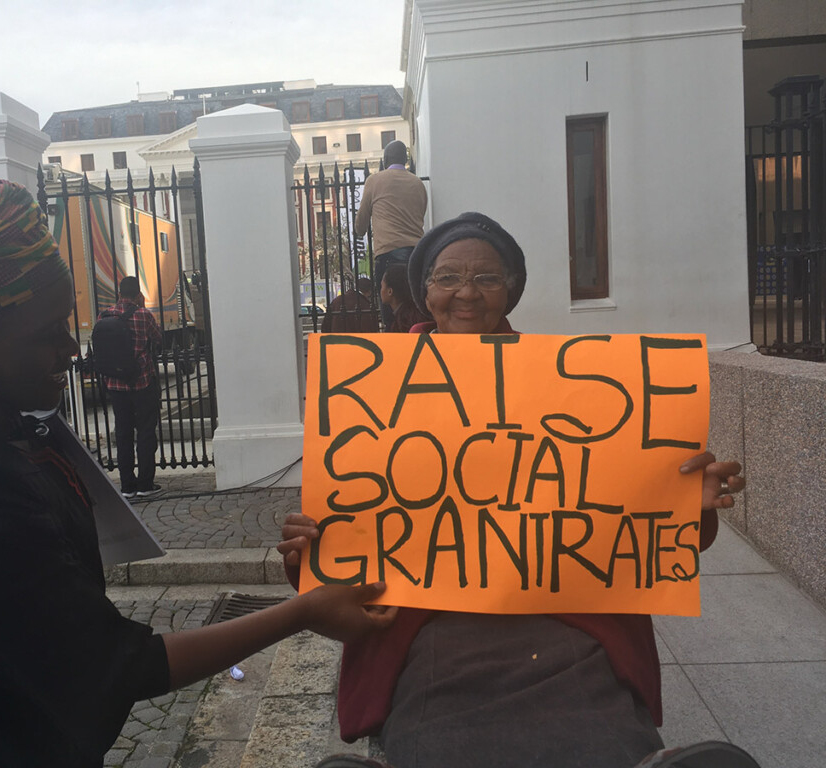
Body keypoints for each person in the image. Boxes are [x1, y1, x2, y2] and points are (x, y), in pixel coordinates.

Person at [0, 181, 394, 767]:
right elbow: (120, 667)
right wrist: (303, 612)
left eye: (67, 324)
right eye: (47, 334)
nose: (71, 349)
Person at [279, 212, 749, 768]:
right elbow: (353, 547)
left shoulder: (572, 384)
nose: (466, 293)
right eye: (447, 277)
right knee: (438, 739)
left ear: (511, 290)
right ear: (425, 291)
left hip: (567, 617)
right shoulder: (374, 387)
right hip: (429, 626)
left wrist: (688, 507)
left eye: (487, 278)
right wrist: (315, 547)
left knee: (601, 731)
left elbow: (660, 541)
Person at [98, 275, 162, 498]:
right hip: (142, 382)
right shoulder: (143, 315)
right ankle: (145, 484)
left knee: (123, 433)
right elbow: (158, 338)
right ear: (138, 295)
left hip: (116, 384)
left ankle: (127, 486)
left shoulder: (105, 315)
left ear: (119, 294)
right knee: (145, 431)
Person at [354, 140, 427, 329]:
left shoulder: (374, 181)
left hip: (389, 255)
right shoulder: (418, 183)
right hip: (416, 256)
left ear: (385, 159)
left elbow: (361, 225)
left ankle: (396, 345)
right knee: (416, 313)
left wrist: (362, 226)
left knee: (391, 318)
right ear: (406, 159)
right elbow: (421, 213)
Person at [379, 263, 429, 333]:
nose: (380, 290)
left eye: (382, 286)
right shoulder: (416, 313)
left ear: (390, 291)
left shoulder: (402, 323)